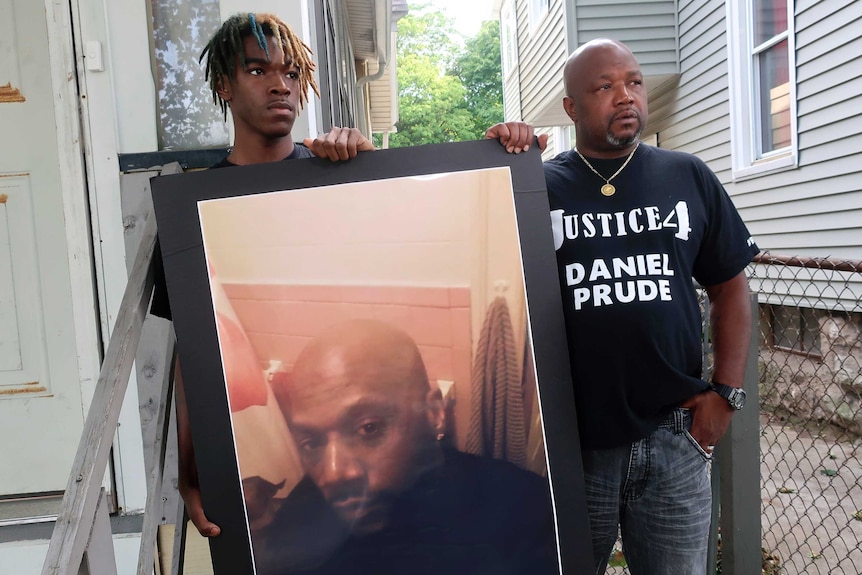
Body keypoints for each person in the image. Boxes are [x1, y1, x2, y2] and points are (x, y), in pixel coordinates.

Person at [486, 38, 758, 574]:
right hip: (571, 443)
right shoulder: (537, 185)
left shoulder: (687, 175)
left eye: (633, 82)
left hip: (674, 435)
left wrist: (725, 395)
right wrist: (498, 158)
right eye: (604, 87)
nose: (625, 96)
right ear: (571, 107)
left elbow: (731, 286)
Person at [149, 12, 375, 538]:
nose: (280, 85)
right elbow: (193, 356)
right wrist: (189, 474)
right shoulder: (191, 210)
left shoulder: (338, 177)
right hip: (261, 444)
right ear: (224, 86)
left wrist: (368, 173)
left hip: (351, 428)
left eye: (291, 72)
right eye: (257, 71)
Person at [253, 319, 558, 575]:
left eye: (368, 428)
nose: (332, 474)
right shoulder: (304, 509)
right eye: (313, 442)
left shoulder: (522, 510)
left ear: (435, 413)